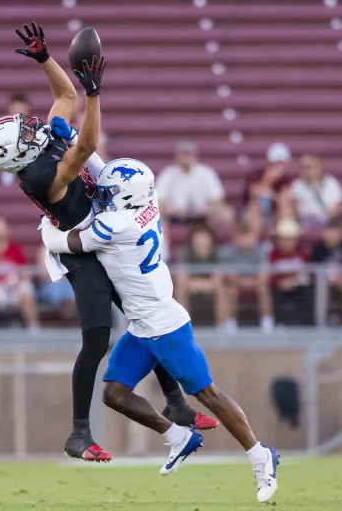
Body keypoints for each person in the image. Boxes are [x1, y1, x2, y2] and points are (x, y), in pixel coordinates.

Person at [0, 22, 215, 461]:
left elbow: (64, 98)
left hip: (99, 234)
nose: (32, 129)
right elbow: (86, 143)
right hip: (81, 251)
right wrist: (98, 93)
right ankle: (79, 433)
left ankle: (178, 404)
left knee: (147, 315)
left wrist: (44, 59)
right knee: (97, 339)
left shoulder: (35, 149)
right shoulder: (39, 175)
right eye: (25, 135)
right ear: (18, 156)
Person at [41, 159, 280, 503]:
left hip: (165, 326)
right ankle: (179, 437)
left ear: (123, 196)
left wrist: (46, 219)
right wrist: (79, 139)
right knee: (114, 395)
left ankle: (260, 455)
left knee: (209, 395)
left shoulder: (115, 224)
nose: (103, 197)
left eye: (109, 193)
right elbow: (107, 170)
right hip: (142, 325)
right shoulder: (148, 204)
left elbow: (65, 243)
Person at [0, 217, 40, 333]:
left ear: (6, 230)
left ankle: (33, 328)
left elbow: (26, 273)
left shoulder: (16, 250)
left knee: (26, 293)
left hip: (16, 288)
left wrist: (17, 282)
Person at [154, 140, 233, 230]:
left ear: (195, 156)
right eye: (184, 155)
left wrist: (206, 208)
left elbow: (217, 197)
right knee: (156, 214)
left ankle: (216, 242)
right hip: (174, 214)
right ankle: (162, 243)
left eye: (189, 155)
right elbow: (157, 199)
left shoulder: (206, 172)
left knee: (226, 213)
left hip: (203, 213)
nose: (186, 158)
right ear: (177, 157)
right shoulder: (168, 173)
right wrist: (170, 208)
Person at [219, 221, 273, 333]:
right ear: (235, 238)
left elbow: (263, 275)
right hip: (236, 285)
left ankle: (267, 322)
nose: (245, 240)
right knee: (230, 290)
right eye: (241, 237)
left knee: (263, 288)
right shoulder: (227, 252)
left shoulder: (260, 251)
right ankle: (230, 323)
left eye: (247, 236)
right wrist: (243, 282)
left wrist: (251, 282)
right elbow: (229, 276)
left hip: (256, 284)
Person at [173, 224, 227, 328]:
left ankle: (221, 327)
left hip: (209, 288)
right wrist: (199, 285)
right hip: (191, 288)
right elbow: (181, 280)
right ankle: (184, 327)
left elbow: (218, 281)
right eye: (198, 238)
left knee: (222, 291)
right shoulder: (185, 253)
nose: (201, 241)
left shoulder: (217, 254)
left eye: (204, 237)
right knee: (180, 290)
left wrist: (199, 285)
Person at [311, 218, 342, 323]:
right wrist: (328, 279)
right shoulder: (318, 249)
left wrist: (341, 277)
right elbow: (315, 269)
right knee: (321, 289)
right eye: (329, 231)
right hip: (324, 280)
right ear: (323, 233)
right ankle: (321, 321)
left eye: (335, 231)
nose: (332, 235)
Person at [267, 219, 313, 326]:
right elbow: (268, 275)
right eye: (285, 239)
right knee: (274, 295)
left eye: (291, 239)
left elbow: (308, 273)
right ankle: (278, 324)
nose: (288, 242)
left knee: (308, 292)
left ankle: (307, 324)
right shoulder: (272, 255)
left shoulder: (303, 254)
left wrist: (294, 281)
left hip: (298, 287)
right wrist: (279, 283)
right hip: (278, 288)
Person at [242, 142, 295, 234]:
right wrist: (269, 179)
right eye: (276, 163)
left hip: (275, 211)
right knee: (255, 209)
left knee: (285, 208)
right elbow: (253, 195)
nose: (278, 166)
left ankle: (283, 236)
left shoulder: (286, 179)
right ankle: (255, 242)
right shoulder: (256, 174)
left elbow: (285, 197)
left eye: (281, 163)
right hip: (254, 210)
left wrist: (273, 196)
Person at [291, 154, 342, 227]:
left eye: (308, 167)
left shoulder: (330, 182)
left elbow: (338, 205)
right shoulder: (297, 185)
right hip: (304, 221)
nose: (306, 170)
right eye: (304, 167)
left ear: (318, 167)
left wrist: (325, 218)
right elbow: (294, 208)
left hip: (326, 220)